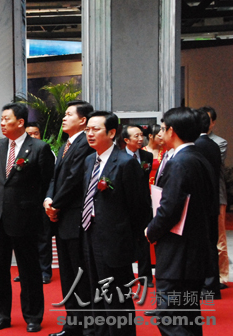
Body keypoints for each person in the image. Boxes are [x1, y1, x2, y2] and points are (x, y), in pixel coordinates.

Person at [145, 107, 215, 336]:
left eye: (163, 129)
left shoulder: (181, 161)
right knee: (188, 314)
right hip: (193, 251)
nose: (161, 133)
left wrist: (150, 231)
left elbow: (170, 208)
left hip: (179, 253)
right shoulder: (198, 158)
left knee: (168, 317)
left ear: (171, 131)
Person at [0, 103, 54, 333]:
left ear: (21, 122)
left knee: (29, 272)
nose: (2, 123)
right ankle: (2, 316)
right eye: (2, 119)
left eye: (7, 119)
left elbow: (47, 182)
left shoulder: (39, 148)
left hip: (26, 219)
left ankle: (33, 316)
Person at [82, 111, 148, 336]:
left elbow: (140, 208)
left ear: (111, 133)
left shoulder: (125, 163)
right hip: (91, 236)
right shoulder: (90, 160)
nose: (89, 134)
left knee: (117, 297)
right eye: (87, 129)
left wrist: (131, 241)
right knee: (97, 293)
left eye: (95, 129)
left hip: (115, 241)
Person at [44, 100, 95, 336]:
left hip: (74, 218)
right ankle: (73, 324)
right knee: (67, 274)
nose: (63, 118)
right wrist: (48, 199)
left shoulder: (85, 142)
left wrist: (56, 204)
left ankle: (84, 325)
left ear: (82, 120)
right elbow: (56, 177)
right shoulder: (66, 143)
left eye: (68, 114)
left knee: (78, 274)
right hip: (62, 215)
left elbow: (74, 179)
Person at [14, 121, 53, 285]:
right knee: (25, 239)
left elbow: (50, 178)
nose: (32, 136)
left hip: (41, 202)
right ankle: (26, 271)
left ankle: (45, 271)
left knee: (43, 238)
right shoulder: (16, 152)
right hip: (22, 205)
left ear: (40, 134)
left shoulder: (45, 151)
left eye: (35, 133)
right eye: (28, 133)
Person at [121, 124, 154, 288]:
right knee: (125, 242)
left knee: (144, 241)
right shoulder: (119, 157)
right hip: (125, 206)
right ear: (126, 140)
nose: (141, 139)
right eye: (136, 136)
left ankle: (145, 276)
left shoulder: (147, 156)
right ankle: (127, 276)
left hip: (143, 205)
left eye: (142, 135)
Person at [200, 106, 229, 289]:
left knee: (219, 237)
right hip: (204, 195)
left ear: (213, 122)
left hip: (217, 193)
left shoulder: (219, 142)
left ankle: (223, 275)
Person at [194, 109, 222, 299]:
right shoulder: (212, 144)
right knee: (211, 243)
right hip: (211, 202)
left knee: (203, 245)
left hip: (200, 204)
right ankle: (212, 284)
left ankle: (207, 284)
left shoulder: (196, 146)